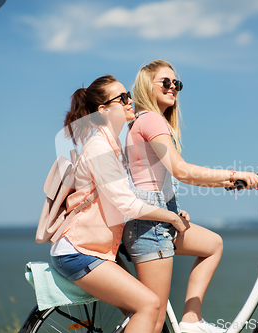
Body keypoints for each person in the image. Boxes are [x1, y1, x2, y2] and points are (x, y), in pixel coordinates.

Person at [123, 60, 258, 333]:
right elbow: (182, 170)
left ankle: (191, 320)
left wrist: (175, 210)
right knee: (153, 321)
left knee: (213, 244)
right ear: (146, 86)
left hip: (158, 220)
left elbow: (152, 180)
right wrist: (233, 175)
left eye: (177, 83)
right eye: (166, 82)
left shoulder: (146, 122)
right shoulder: (150, 120)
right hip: (150, 228)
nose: (173, 87)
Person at [50, 75, 190, 333]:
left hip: (97, 249)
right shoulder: (99, 147)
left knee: (142, 314)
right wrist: (169, 218)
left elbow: (129, 195)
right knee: (149, 305)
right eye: (122, 97)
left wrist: (169, 210)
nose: (130, 101)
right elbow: (127, 204)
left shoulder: (111, 144)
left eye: (129, 95)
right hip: (78, 251)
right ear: (103, 111)